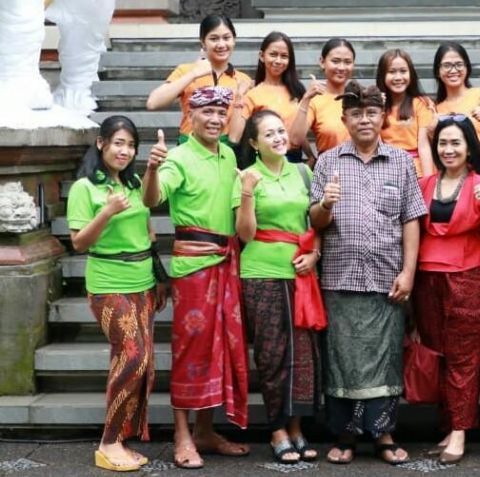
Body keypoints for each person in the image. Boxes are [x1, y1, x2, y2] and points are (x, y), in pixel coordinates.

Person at [308, 81, 426, 465]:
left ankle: (384, 434)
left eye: (371, 113)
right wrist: (325, 204)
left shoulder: (401, 161)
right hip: (340, 276)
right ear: (344, 119)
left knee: (386, 357)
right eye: (356, 113)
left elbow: (411, 219)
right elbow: (315, 220)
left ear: (383, 117)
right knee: (342, 359)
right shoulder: (327, 161)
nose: (364, 119)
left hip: (386, 277)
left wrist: (409, 272)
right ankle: (345, 435)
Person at [142, 86, 250, 469]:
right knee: (190, 351)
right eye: (208, 112)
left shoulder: (228, 155)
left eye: (222, 113)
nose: (216, 119)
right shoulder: (178, 157)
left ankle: (206, 430)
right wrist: (152, 168)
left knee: (219, 349)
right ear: (191, 115)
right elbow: (152, 200)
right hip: (193, 267)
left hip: (227, 261)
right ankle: (182, 434)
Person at [413, 116, 480, 464]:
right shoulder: (426, 183)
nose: (448, 149)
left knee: (463, 357)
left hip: (467, 278)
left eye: (456, 142)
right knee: (438, 354)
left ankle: (460, 430)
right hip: (427, 279)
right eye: (443, 143)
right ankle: (448, 426)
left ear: (469, 147)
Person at [67, 115, 166, 472]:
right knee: (133, 356)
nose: (124, 151)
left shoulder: (135, 182)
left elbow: (148, 227)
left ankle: (120, 439)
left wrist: (159, 278)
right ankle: (108, 441)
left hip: (143, 281)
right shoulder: (85, 188)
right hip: (108, 283)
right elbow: (78, 242)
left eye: (130, 145)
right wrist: (107, 212)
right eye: (117, 143)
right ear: (101, 144)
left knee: (144, 364)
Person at [233, 110, 321, 464]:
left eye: (281, 131)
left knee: (304, 354)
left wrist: (315, 254)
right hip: (261, 272)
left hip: (300, 270)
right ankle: (277, 430)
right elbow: (245, 234)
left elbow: (316, 222)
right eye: (269, 134)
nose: (278, 138)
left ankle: (297, 426)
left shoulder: (302, 171)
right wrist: (248, 192)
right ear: (253, 143)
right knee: (272, 354)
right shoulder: (246, 176)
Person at [146, 15, 252, 143]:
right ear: (203, 42)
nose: (221, 44)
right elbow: (153, 103)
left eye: (226, 38)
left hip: (226, 150)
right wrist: (194, 73)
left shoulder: (243, 80)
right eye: (214, 39)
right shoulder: (186, 71)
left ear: (234, 40)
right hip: (189, 148)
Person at [228, 31, 308, 163]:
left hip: (294, 159)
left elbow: (296, 130)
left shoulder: (297, 91)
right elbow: (234, 138)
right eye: (273, 54)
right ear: (262, 56)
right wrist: (239, 97)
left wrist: (309, 154)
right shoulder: (252, 94)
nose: (278, 60)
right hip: (265, 160)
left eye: (284, 56)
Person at [433, 42, 480, 174]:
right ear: (438, 71)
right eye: (447, 65)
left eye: (459, 64)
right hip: (454, 171)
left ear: (467, 68)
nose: (453, 70)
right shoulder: (436, 108)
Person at [289, 38, 355, 158]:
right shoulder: (315, 100)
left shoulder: (359, 97)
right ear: (322, 62)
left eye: (347, 62)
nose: (341, 67)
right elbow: (294, 141)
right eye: (335, 61)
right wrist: (306, 99)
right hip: (329, 170)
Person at [376, 48, 435, 177]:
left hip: (416, 172)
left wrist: (428, 182)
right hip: (387, 172)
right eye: (392, 72)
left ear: (411, 74)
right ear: (382, 75)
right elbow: (375, 144)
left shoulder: (421, 104)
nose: (398, 77)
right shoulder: (376, 106)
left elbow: (424, 146)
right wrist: (376, 107)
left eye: (403, 71)